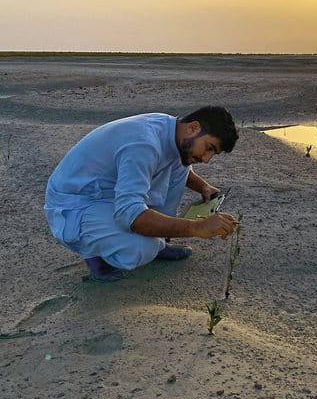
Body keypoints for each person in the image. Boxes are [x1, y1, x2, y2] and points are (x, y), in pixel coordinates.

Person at [44, 106, 239, 281]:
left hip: (107, 193)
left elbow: (166, 161)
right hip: (73, 204)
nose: (206, 159)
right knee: (141, 249)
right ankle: (94, 251)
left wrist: (202, 186)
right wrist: (197, 228)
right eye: (209, 148)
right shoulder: (144, 143)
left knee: (181, 164)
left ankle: (159, 241)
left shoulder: (172, 129)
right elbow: (130, 215)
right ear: (193, 127)